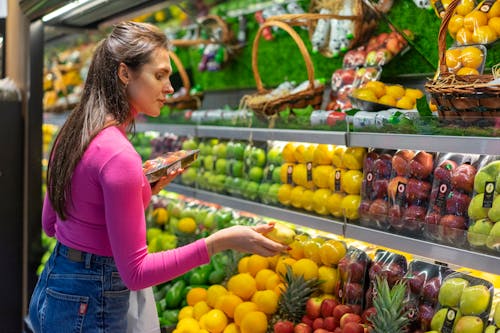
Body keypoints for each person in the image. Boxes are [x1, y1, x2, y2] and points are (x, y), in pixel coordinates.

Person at [27, 21, 287, 333]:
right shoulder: (119, 156)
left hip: (54, 288)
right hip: (90, 303)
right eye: (160, 75)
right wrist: (220, 241)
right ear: (125, 74)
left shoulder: (73, 131)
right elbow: (136, 273)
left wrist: (140, 193)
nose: (170, 87)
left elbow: (52, 225)